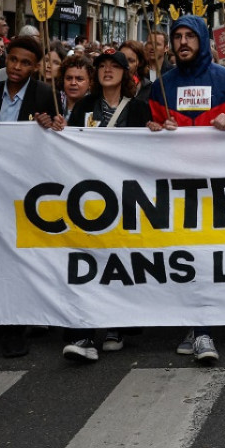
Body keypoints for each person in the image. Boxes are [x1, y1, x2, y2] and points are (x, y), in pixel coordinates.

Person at [147, 16, 225, 365]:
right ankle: (196, 325)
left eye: (190, 36)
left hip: (221, 187)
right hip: (177, 187)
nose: (183, 42)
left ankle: (203, 327)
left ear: (204, 39)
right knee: (186, 258)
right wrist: (155, 128)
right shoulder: (161, 86)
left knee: (211, 256)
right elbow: (143, 134)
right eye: (177, 37)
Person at [60, 49, 152, 362]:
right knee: (90, 260)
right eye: (102, 66)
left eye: (115, 66)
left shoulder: (139, 109)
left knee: (122, 261)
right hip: (91, 199)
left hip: (127, 198)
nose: (108, 71)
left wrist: (158, 132)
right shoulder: (83, 106)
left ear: (126, 74)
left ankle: (117, 325)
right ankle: (84, 332)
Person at [0, 36, 58, 358]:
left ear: (35, 67)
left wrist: (51, 124)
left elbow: (55, 138)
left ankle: (16, 325)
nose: (17, 67)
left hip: (26, 189)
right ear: (5, 59)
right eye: (13, 60)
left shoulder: (45, 95)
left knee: (20, 256)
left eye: (25, 63)